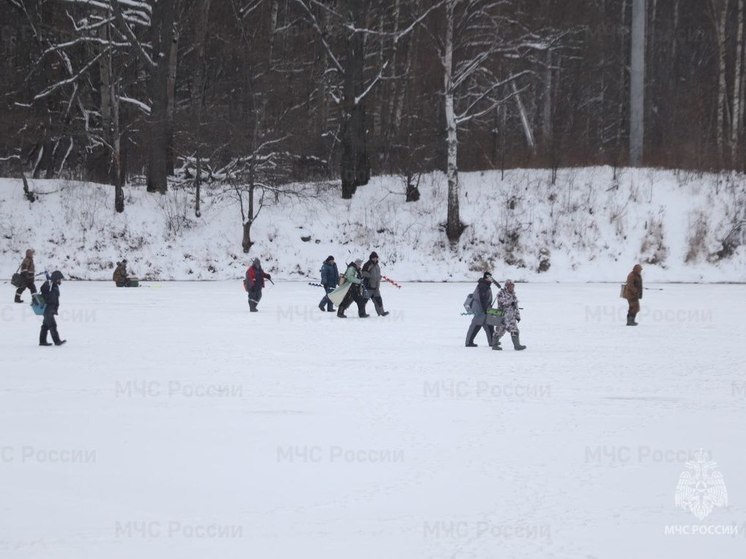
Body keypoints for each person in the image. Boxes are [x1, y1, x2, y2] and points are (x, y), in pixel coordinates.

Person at [491, 279, 526, 350]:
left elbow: (516, 306)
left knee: (515, 330)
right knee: (499, 331)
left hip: (511, 317)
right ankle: (494, 345)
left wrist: (517, 316)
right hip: (502, 317)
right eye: (510, 286)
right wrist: (510, 301)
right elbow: (503, 301)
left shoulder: (513, 294)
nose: (511, 288)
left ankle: (517, 345)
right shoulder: (501, 293)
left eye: (512, 286)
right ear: (506, 286)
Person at [465, 272, 495, 347]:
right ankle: (469, 342)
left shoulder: (485, 285)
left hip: (483, 308)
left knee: (489, 325)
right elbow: (482, 299)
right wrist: (485, 309)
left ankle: (493, 342)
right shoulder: (483, 286)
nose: (491, 279)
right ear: (486, 278)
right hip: (480, 309)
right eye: (490, 278)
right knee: (476, 325)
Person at [39, 270, 66, 346]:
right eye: (59, 279)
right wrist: (47, 285)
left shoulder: (54, 285)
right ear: (56, 278)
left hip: (50, 309)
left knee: (45, 326)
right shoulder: (49, 285)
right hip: (48, 309)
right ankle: (57, 341)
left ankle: (42, 341)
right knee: (52, 325)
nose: (60, 281)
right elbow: (43, 291)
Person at [362, 251, 389, 316]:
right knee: (364, 301)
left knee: (378, 300)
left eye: (376, 258)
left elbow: (377, 274)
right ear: (371, 258)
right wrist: (371, 276)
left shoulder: (377, 265)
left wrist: (378, 277)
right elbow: (363, 273)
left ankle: (381, 313)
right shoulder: (367, 264)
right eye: (373, 258)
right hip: (368, 286)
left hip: (376, 287)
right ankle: (362, 313)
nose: (375, 259)